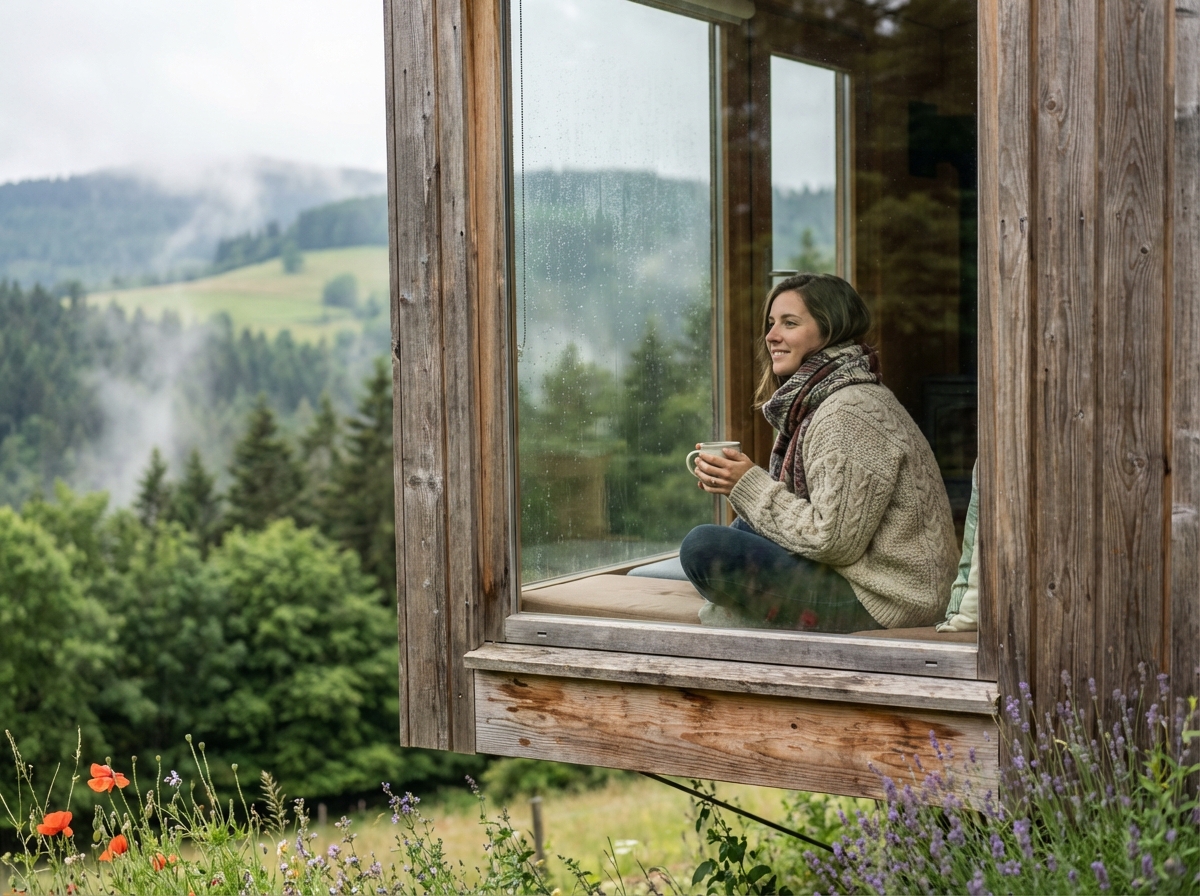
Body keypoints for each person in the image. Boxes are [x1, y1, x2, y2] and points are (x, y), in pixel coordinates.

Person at [679, 273, 957, 633]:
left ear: (830, 330)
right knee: (748, 527)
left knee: (703, 547)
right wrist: (742, 488)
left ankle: (738, 614)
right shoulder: (835, 398)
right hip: (871, 580)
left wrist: (747, 484)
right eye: (771, 324)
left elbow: (833, 542)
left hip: (890, 600)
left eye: (789, 323)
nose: (771, 336)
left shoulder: (847, 411)